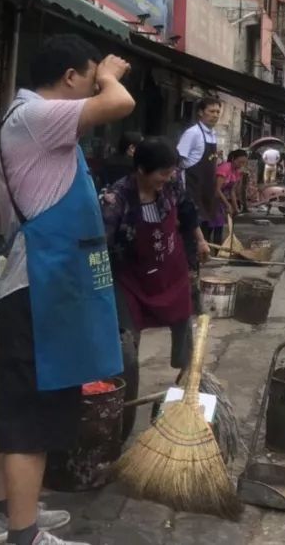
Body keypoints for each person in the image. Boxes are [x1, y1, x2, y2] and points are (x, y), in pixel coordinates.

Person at [0, 34, 135, 545]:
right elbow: (121, 103)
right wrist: (110, 77)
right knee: (30, 418)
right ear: (71, 77)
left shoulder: (29, 118)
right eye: (90, 78)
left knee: (23, 410)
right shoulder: (38, 116)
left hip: (41, 285)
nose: (96, 88)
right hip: (39, 288)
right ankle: (23, 534)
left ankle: (8, 515)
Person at [101, 138, 209, 435]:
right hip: (130, 279)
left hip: (169, 271)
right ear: (141, 170)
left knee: (184, 325)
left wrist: (200, 241)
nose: (168, 177)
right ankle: (123, 418)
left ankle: (188, 388)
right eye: (162, 172)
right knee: (126, 346)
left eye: (171, 171)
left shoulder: (172, 187)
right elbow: (102, 244)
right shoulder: (116, 199)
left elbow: (187, 212)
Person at [176, 97, 222, 241]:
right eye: (211, 111)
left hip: (207, 190)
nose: (215, 115)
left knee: (205, 225)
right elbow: (178, 159)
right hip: (192, 189)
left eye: (218, 112)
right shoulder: (193, 133)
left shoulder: (213, 134)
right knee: (191, 227)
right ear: (200, 112)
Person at [213, 149, 249, 244]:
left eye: (244, 163)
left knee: (219, 226)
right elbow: (217, 189)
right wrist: (228, 205)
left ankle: (217, 249)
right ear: (233, 159)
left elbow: (232, 191)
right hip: (211, 198)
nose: (241, 165)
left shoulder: (237, 172)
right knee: (210, 226)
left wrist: (236, 207)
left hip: (220, 200)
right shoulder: (225, 168)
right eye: (240, 162)